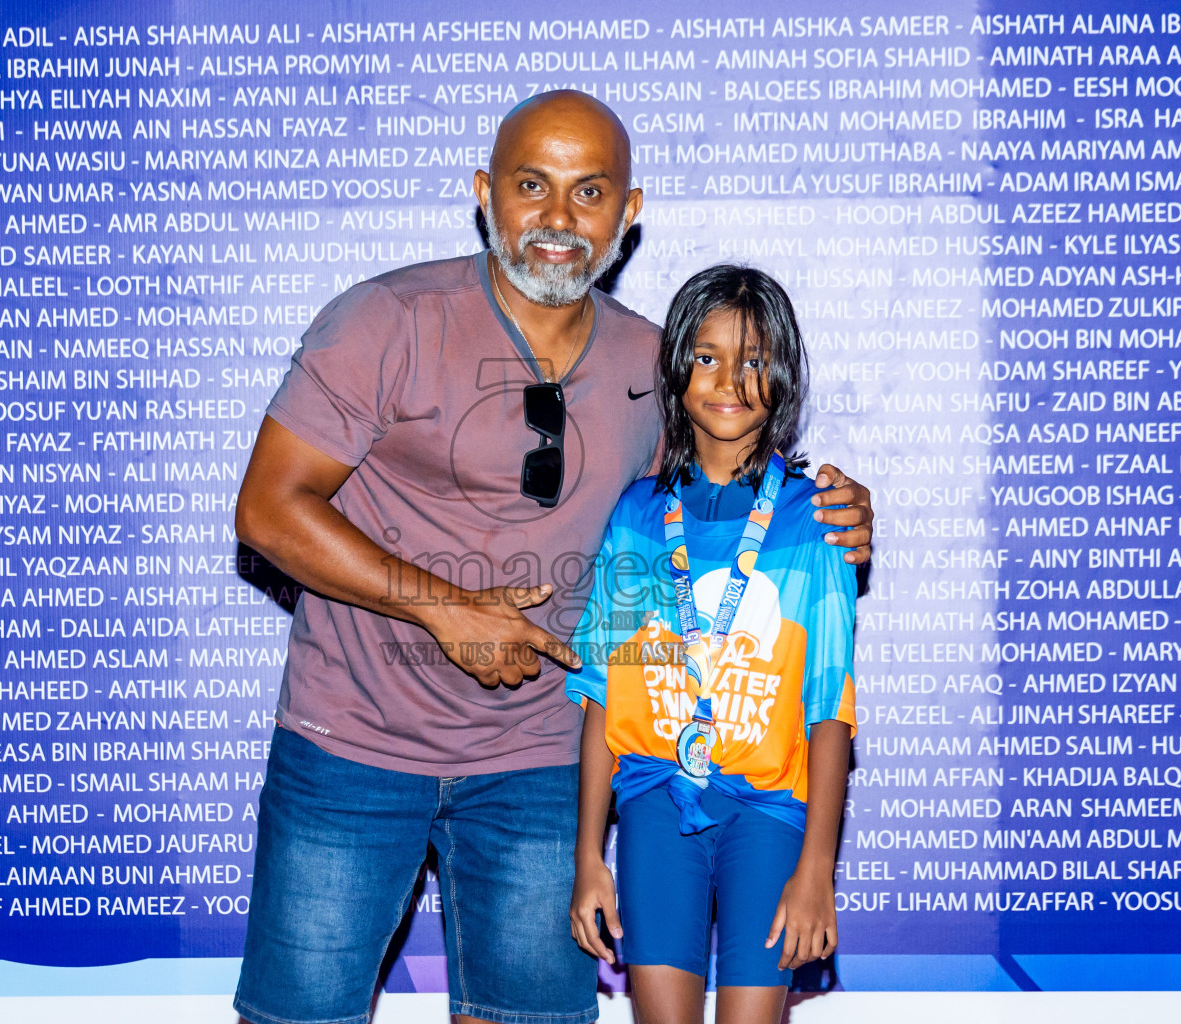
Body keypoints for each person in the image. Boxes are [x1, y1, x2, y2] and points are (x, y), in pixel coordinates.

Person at [232, 92, 872, 1024]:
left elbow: (725, 508)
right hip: (351, 749)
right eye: (532, 186)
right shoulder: (386, 320)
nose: (559, 221)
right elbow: (267, 509)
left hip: (541, 769)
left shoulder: (661, 368)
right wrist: (444, 607)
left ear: (629, 211)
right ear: (486, 193)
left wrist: (840, 508)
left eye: (589, 192)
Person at [565, 265, 856, 1024]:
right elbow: (602, 693)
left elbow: (829, 710)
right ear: (676, 372)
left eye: (755, 360)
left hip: (769, 816)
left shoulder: (812, 521)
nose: (731, 379)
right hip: (656, 801)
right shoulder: (635, 518)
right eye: (707, 357)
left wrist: (817, 868)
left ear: (783, 376)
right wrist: (587, 857)